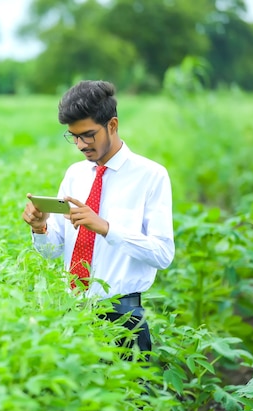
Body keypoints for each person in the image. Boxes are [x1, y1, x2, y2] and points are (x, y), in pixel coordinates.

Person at [22, 80, 175, 359]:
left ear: (112, 125)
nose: (80, 144)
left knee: (130, 401)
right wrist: (40, 227)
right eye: (73, 136)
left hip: (123, 317)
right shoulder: (75, 175)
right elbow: (53, 251)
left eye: (88, 135)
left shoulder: (151, 176)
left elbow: (163, 254)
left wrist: (105, 228)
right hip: (74, 313)